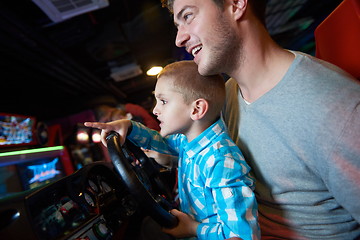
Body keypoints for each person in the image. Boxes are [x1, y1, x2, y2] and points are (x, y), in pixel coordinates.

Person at [160, 0, 360, 239]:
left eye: (188, 16)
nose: (179, 39)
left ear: (236, 4)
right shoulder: (228, 95)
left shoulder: (336, 109)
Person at [85, 60, 260, 240]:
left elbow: (240, 236)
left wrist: (194, 229)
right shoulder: (188, 140)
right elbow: (160, 141)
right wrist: (128, 127)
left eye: (163, 101)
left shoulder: (221, 161)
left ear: (197, 109)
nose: (155, 110)